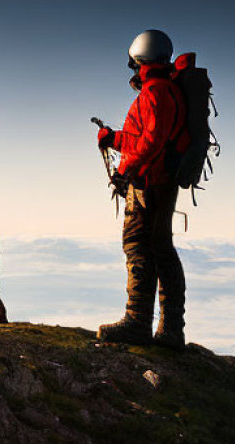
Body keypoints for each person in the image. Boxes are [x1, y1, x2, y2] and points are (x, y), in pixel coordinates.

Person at [95, 29, 190, 349]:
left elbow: (150, 143)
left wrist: (123, 171)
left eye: (133, 63)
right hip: (161, 180)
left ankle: (138, 323)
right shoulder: (167, 90)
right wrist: (113, 138)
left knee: (137, 247)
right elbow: (146, 138)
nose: (132, 69)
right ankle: (170, 328)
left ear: (140, 60)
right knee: (161, 249)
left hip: (149, 185)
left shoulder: (155, 93)